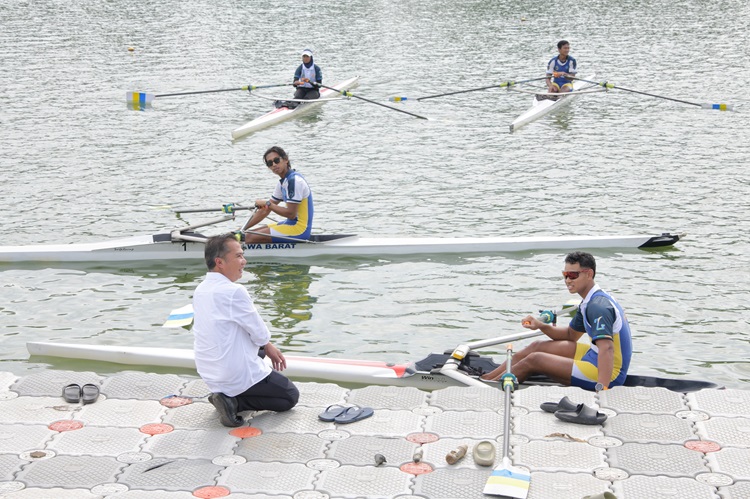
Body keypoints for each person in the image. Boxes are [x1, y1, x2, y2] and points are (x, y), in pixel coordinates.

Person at [482, 251, 632, 393]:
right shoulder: (589, 301)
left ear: (589, 274)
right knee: (536, 346)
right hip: (593, 355)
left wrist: (603, 390)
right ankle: (487, 379)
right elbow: (570, 335)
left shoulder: (598, 306)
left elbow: (607, 349)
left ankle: (489, 389)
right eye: (565, 275)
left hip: (609, 372)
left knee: (535, 359)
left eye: (573, 275)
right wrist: (540, 325)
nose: (567, 280)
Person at [193, 234, 299, 427]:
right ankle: (234, 402)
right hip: (230, 373)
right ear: (220, 262)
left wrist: (266, 346)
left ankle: (225, 395)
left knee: (260, 348)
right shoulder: (234, 291)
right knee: (290, 397)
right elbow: (261, 334)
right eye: (239, 256)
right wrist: (268, 345)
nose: (244, 261)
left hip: (209, 371)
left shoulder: (201, 289)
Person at [240, 146, 314, 244]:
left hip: (300, 230)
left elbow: (291, 214)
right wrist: (241, 229)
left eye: (276, 160)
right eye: (270, 163)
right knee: (246, 233)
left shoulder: (294, 181)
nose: (274, 165)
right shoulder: (282, 183)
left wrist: (267, 203)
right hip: (290, 224)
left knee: (248, 238)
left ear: (286, 160)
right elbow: (264, 211)